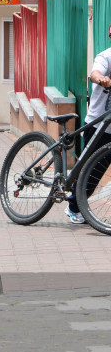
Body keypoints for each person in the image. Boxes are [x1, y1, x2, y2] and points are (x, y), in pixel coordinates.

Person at [65, 23, 111, 224]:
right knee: (92, 172)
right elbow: (94, 73)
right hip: (99, 126)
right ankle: (74, 207)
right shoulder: (106, 56)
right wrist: (101, 79)